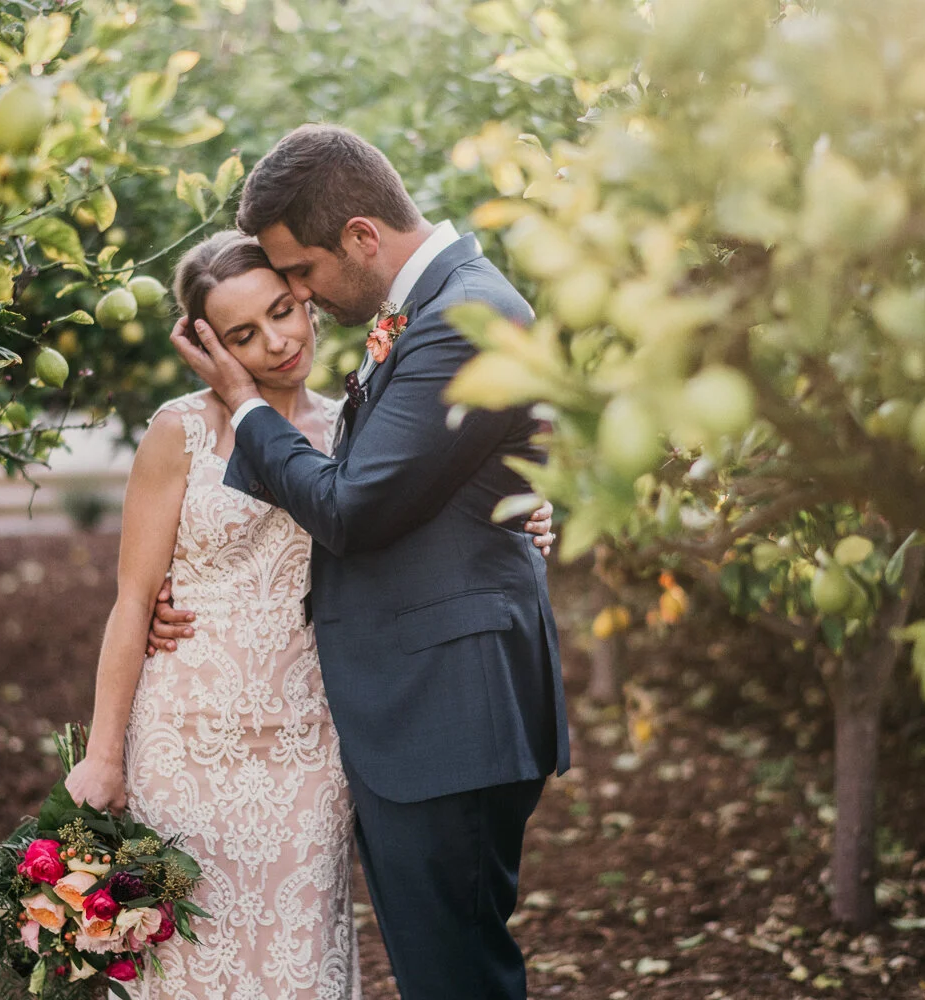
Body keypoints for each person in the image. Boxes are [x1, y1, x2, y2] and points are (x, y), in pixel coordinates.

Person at [63, 228, 555, 999]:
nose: (277, 341)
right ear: (208, 346)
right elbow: (132, 601)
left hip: (314, 748)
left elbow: (421, 499)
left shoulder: (354, 425)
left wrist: (522, 514)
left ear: (310, 302)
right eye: (242, 334)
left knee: (299, 967)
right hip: (188, 744)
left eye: (284, 310)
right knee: (188, 965)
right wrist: (102, 752)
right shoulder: (179, 431)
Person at [164, 123, 570, 1000]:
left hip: (447, 715)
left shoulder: (465, 315)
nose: (301, 298)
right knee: (443, 969)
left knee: (457, 976)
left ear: (360, 237)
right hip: (425, 709)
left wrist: (243, 404)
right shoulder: (437, 309)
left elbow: (353, 507)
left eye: (301, 276)